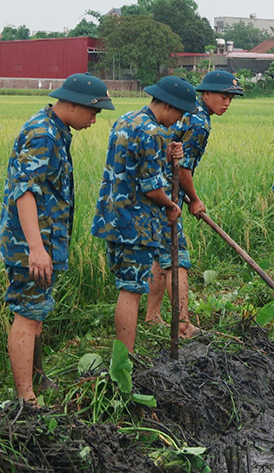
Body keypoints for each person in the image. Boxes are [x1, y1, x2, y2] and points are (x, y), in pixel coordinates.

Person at [1, 73, 114, 403]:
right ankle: (27, 399)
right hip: (30, 244)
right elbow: (25, 192)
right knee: (27, 314)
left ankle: (36, 379)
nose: (94, 120)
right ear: (75, 104)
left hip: (43, 240)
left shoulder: (55, 131)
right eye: (93, 113)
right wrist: (36, 248)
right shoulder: (43, 135)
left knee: (36, 313)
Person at [91, 75, 197, 353]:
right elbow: (151, 188)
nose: (178, 121)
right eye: (180, 114)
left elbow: (133, 162)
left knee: (127, 286)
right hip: (135, 222)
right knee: (131, 290)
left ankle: (125, 355)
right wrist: (171, 206)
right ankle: (125, 359)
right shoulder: (153, 132)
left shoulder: (127, 120)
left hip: (112, 216)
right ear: (170, 106)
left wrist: (168, 152)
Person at [145, 70, 244, 339]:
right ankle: (183, 324)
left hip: (158, 190)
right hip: (165, 196)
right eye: (223, 97)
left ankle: (152, 317)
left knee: (160, 256)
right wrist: (195, 199)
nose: (227, 103)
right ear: (206, 94)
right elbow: (183, 168)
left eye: (231, 99)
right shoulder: (199, 121)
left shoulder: (189, 114)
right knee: (178, 258)